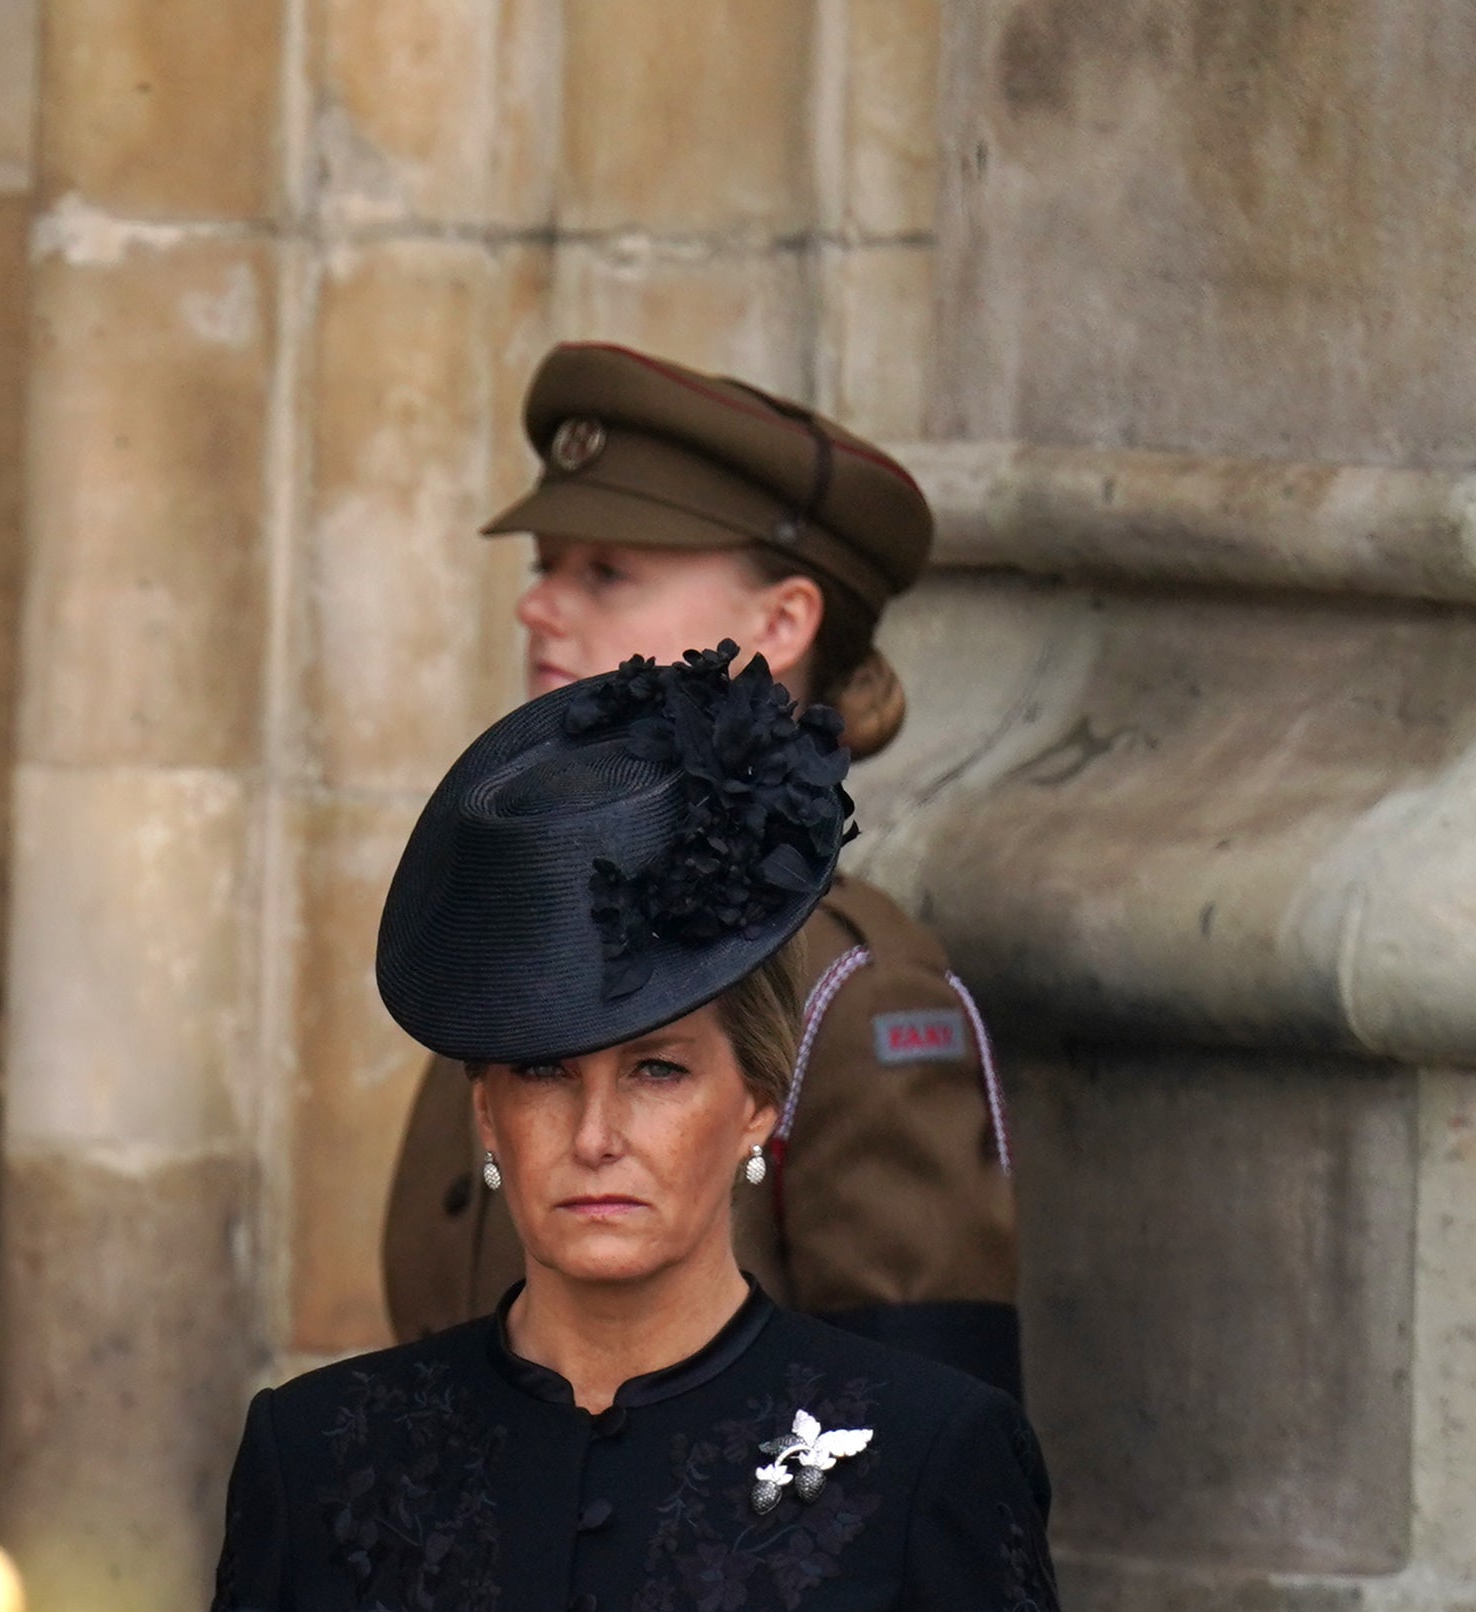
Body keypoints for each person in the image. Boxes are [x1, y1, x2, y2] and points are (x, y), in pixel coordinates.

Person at [217, 649, 1088, 1612]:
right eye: (548, 1077)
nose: (598, 1135)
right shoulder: (323, 1459)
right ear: (486, 1116)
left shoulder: (928, 1459)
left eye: (658, 1073)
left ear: (757, 1102)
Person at [375, 346, 1025, 1407]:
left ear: (780, 625)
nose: (538, 608)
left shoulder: (855, 995)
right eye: (546, 566)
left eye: (607, 574)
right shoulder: (516, 940)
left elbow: (928, 1473)